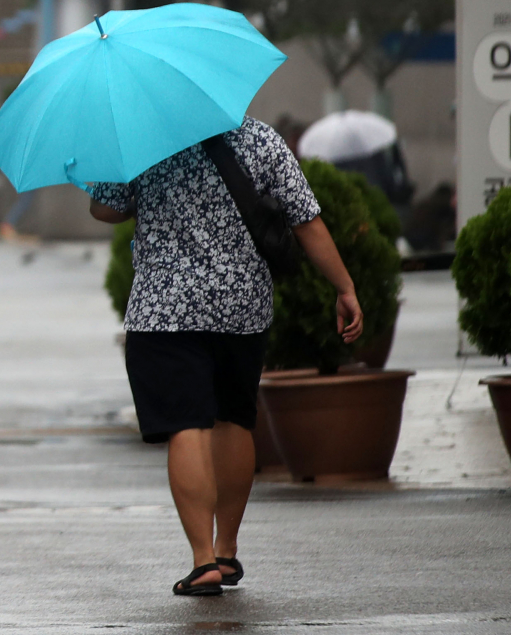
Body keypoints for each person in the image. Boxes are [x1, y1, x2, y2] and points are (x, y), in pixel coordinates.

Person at [89, 117, 364, 597]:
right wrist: (344, 287)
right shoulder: (259, 137)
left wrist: (133, 181)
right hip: (242, 308)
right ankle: (227, 550)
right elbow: (306, 218)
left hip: (165, 310)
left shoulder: (144, 135)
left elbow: (103, 208)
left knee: (186, 425)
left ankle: (202, 562)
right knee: (234, 420)